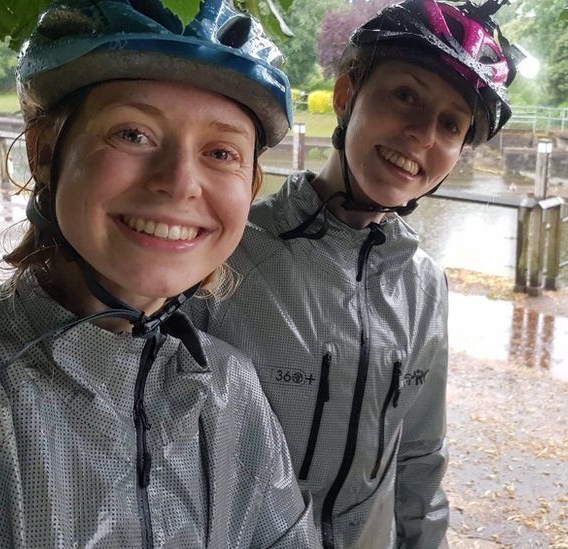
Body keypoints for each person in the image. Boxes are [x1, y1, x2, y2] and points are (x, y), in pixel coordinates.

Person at [0, 0, 320, 546]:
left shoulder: (231, 392)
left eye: (221, 152)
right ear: (43, 153)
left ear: (250, 188)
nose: (180, 183)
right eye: (133, 134)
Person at [186, 0, 522, 546]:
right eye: (405, 95)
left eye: (450, 124)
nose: (421, 133)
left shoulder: (424, 286)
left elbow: (419, 456)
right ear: (347, 97)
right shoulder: (230, 249)